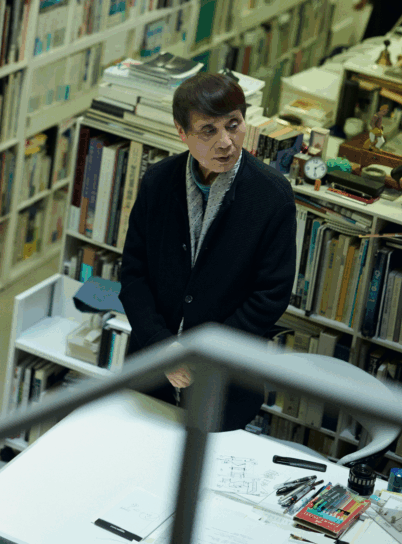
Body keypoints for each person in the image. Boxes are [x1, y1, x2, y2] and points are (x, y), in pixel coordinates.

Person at [119, 72, 297, 431]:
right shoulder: (157, 182)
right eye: (208, 131)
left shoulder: (272, 196)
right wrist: (162, 346)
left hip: (227, 381)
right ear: (181, 133)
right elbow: (134, 273)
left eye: (233, 125)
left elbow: (271, 295)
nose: (226, 142)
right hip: (150, 371)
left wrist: (205, 352)